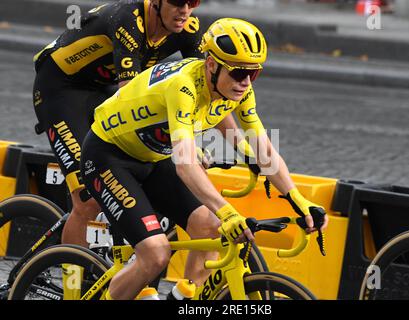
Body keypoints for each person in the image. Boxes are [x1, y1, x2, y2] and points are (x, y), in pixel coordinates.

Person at [80, 17, 329, 300]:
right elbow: (186, 164)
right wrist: (228, 211)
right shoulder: (183, 87)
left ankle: (183, 298)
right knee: (156, 253)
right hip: (108, 155)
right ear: (211, 65)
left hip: (153, 155)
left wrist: (299, 200)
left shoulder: (238, 91)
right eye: (237, 73)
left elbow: (264, 150)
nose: (245, 82)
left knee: (212, 228)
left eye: (253, 73)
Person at [32, 0, 203, 248]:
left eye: (193, 1)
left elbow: (208, 88)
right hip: (60, 91)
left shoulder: (188, 27)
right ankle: (74, 282)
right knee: (87, 198)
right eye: (177, 1)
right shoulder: (129, 19)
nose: (185, 9)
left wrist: (241, 147)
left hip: (104, 89)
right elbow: (129, 98)